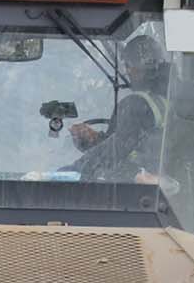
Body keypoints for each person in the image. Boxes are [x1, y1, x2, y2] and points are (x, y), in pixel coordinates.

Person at [67, 32, 168, 181]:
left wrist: (72, 170)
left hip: (132, 190)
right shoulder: (168, 98)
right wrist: (94, 139)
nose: (127, 71)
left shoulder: (136, 105)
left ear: (139, 67)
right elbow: (127, 145)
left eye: (129, 65)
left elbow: (112, 157)